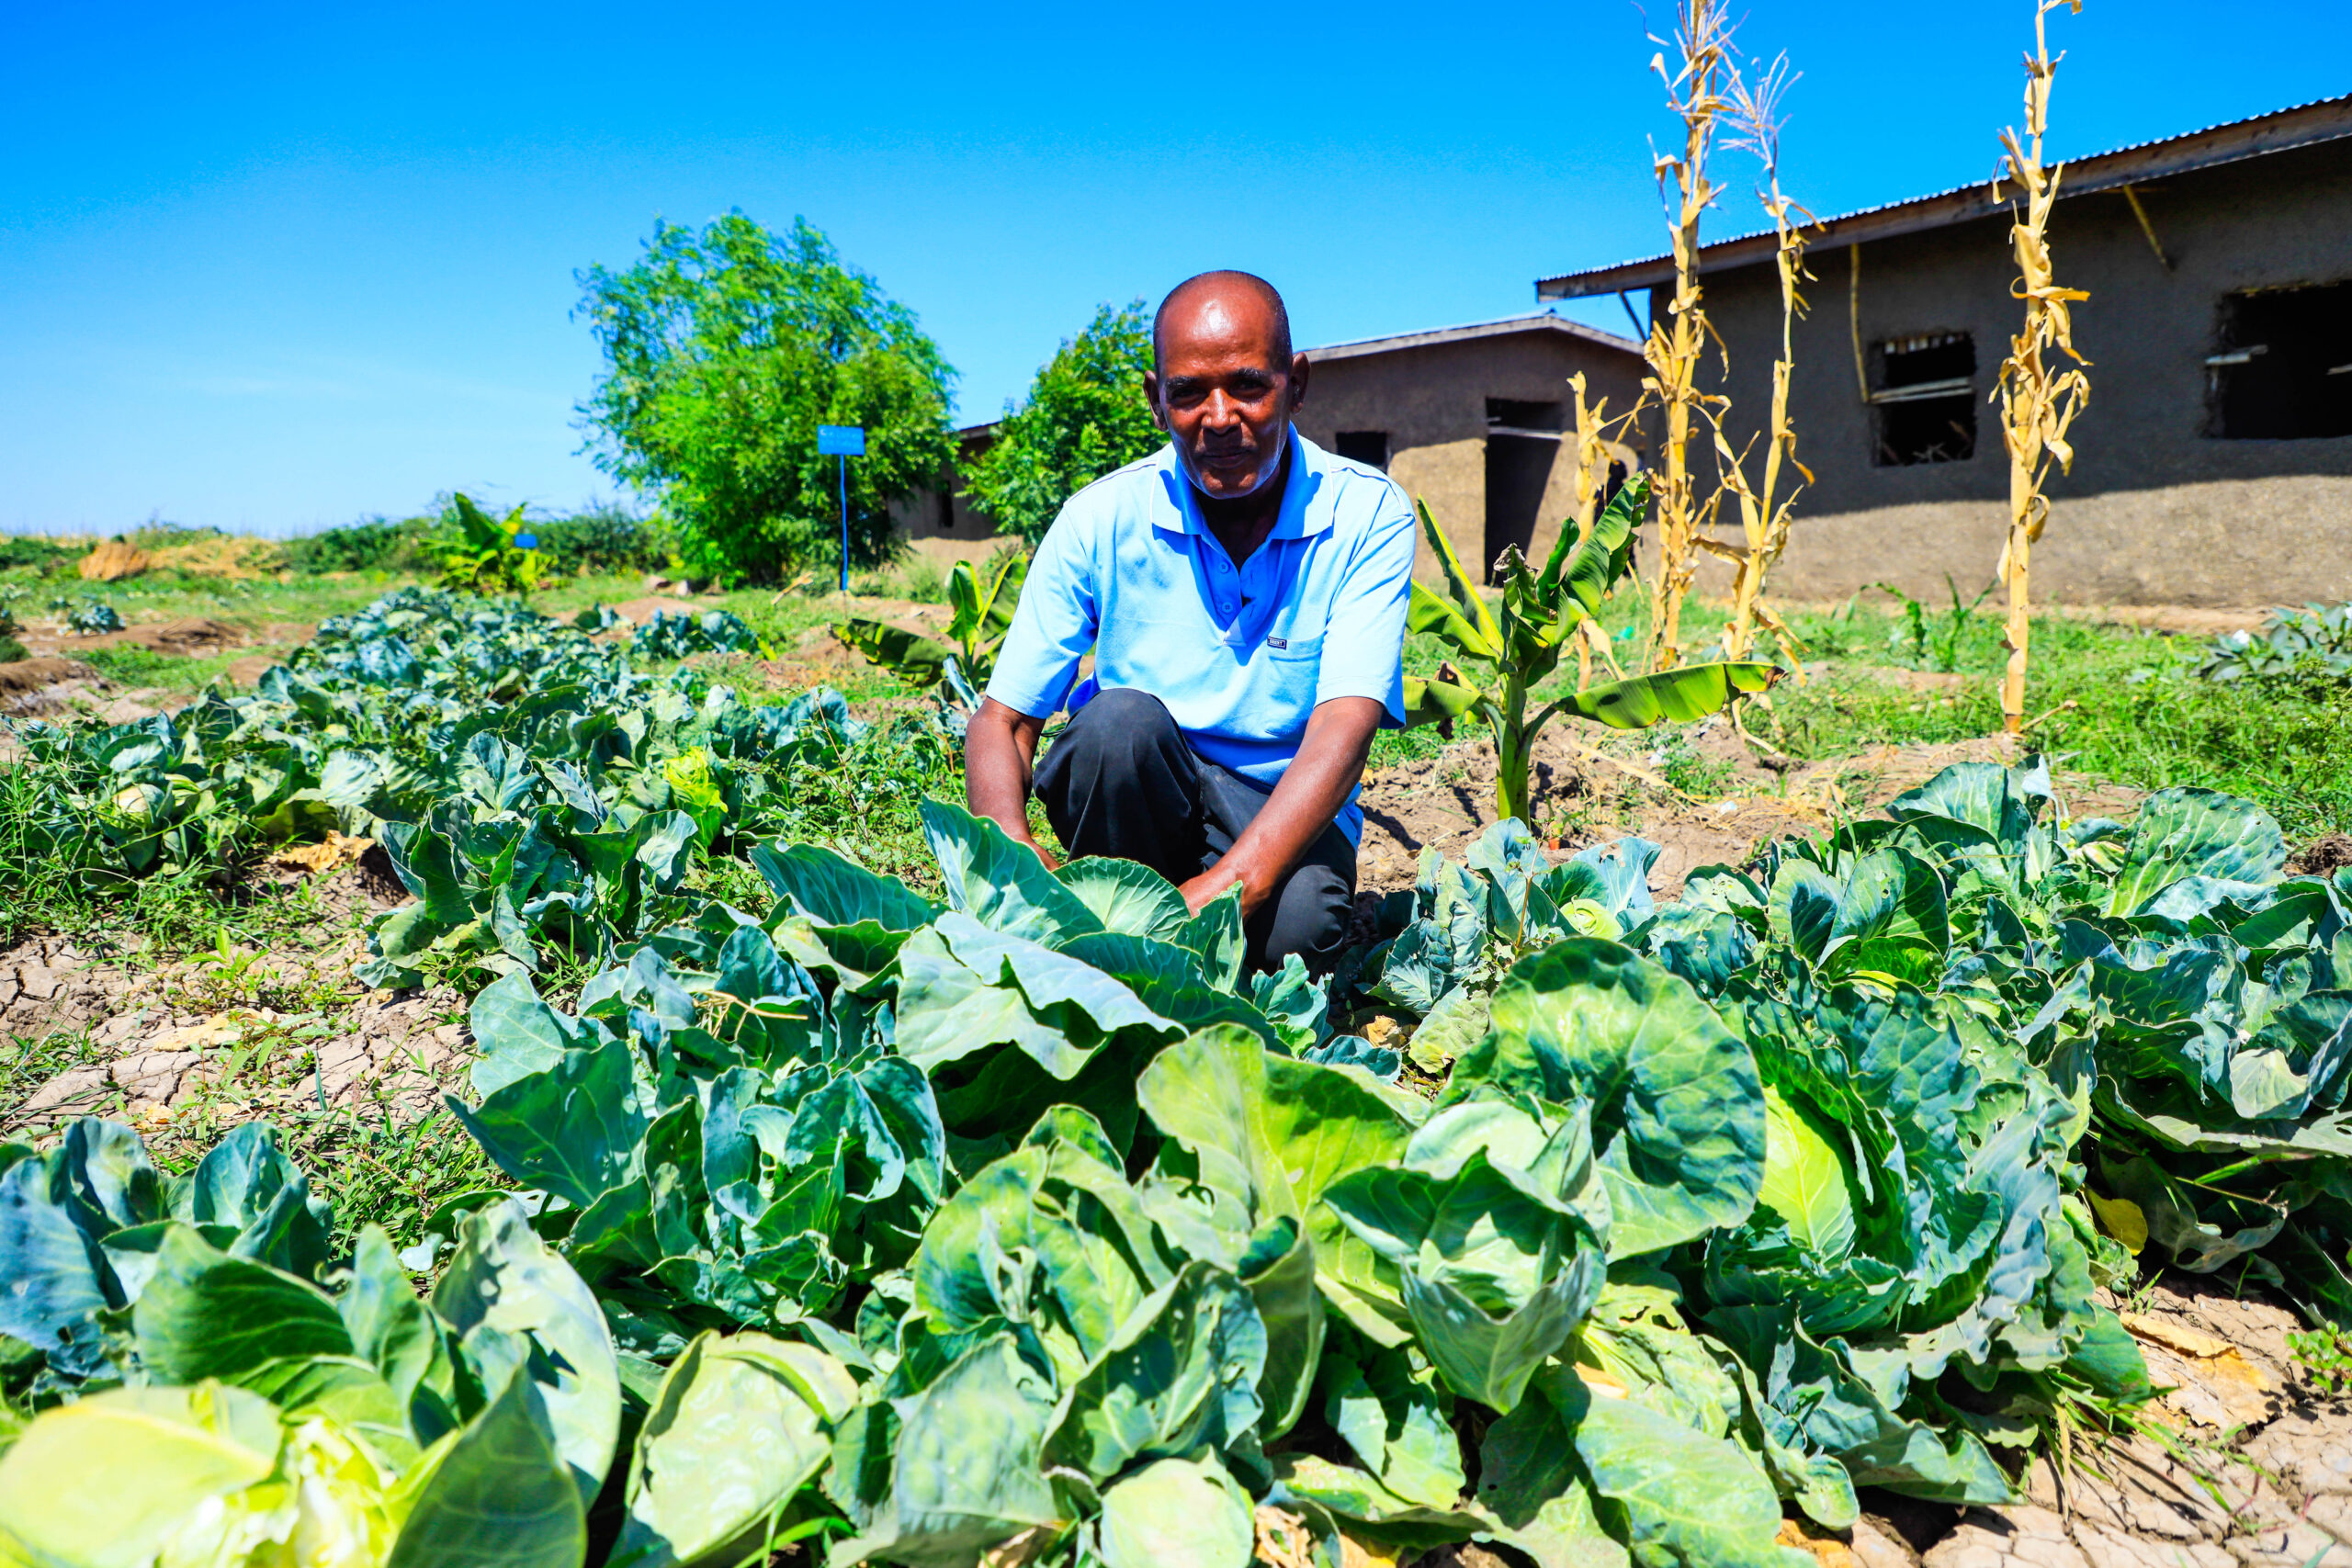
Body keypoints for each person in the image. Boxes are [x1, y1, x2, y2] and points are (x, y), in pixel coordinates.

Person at [965, 270, 1417, 975]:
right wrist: (1008, 851)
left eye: (1247, 385)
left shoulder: (1365, 515)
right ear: (1155, 400)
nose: (1219, 416)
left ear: (1296, 383)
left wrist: (1226, 891)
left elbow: (1343, 730)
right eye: (1187, 393)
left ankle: (1157, 937)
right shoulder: (1102, 518)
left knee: (1299, 932)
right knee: (1117, 728)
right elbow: (1003, 722)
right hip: (1148, 798)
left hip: (1282, 804)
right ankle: (1119, 934)